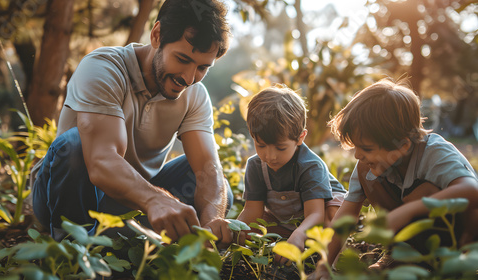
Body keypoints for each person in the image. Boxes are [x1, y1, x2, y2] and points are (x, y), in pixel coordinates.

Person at [32, 0, 234, 244]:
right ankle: (72, 246)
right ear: (157, 35)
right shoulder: (103, 69)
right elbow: (101, 161)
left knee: (216, 188)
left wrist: (212, 219)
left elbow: (207, 168)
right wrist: (155, 200)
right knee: (74, 144)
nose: (189, 78)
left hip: (132, 201)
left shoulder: (195, 94)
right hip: (68, 195)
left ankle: (129, 239)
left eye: (202, 67)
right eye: (182, 59)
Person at [312, 78, 478, 279]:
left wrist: (408, 211)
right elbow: (346, 216)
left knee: (424, 192)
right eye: (355, 147)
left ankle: (455, 265)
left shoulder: (435, 153)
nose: (357, 155)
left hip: (456, 238)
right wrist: (324, 265)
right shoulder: (367, 165)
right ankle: (400, 255)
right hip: (413, 240)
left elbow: (472, 191)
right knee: (368, 176)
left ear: (404, 146)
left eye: (366, 148)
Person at [236, 85, 347, 262]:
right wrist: (236, 231)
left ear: (300, 138)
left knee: (333, 215)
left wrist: (299, 235)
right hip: (288, 218)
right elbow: (252, 212)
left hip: (319, 214)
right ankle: (292, 239)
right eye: (261, 145)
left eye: (280, 148)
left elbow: (315, 214)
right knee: (251, 230)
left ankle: (328, 257)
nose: (270, 156)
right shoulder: (255, 165)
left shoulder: (310, 166)